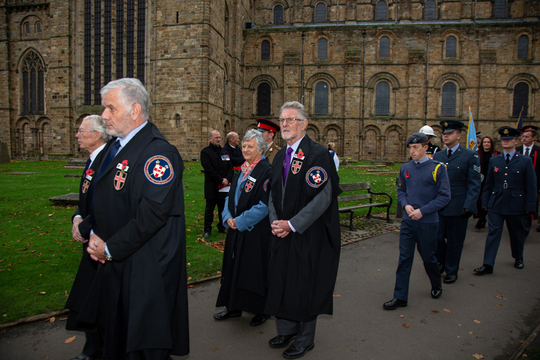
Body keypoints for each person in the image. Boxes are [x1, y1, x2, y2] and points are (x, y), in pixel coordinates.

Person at [84, 78, 189, 359]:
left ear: (134, 111)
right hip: (120, 260)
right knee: (118, 336)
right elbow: (104, 198)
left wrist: (109, 248)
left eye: (110, 108)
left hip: (147, 267)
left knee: (144, 343)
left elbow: (151, 215)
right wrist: (90, 229)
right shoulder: (113, 148)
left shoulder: (158, 153)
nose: (103, 115)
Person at [265, 101, 341, 359]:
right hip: (282, 232)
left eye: (290, 119)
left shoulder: (318, 155)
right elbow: (273, 195)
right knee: (282, 281)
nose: (284, 124)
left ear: (304, 124)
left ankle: (306, 338)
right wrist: (276, 222)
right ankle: (287, 329)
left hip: (308, 234)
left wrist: (292, 224)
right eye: (282, 119)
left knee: (305, 284)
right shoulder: (278, 157)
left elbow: (323, 196)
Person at [383, 133, 450, 311]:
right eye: (410, 148)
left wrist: (423, 211)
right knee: (405, 258)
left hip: (427, 222)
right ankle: (400, 297)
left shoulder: (437, 168)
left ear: (425, 147)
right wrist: (405, 206)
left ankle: (436, 284)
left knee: (428, 257)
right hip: (408, 221)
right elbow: (402, 190)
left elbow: (444, 196)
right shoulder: (406, 167)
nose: (412, 151)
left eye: (416, 148)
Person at [214, 129, 272, 327]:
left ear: (261, 149)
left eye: (250, 146)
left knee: (253, 270)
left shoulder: (266, 171)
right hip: (235, 230)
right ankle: (233, 306)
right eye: (244, 146)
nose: (245, 149)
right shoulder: (242, 169)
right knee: (233, 268)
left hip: (254, 231)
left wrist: (240, 221)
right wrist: (228, 217)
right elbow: (230, 197)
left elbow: (265, 205)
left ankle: (261, 310)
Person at [66, 115, 110, 360]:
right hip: (91, 241)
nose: (77, 135)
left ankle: (96, 350)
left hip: (101, 243)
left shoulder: (108, 160)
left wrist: (86, 228)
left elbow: (108, 204)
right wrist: (76, 218)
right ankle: (94, 348)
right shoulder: (93, 160)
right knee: (89, 298)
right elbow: (86, 200)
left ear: (97, 134)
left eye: (81, 130)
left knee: (95, 299)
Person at [474, 127, 536, 275]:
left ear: (516, 141)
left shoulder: (525, 161)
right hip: (497, 202)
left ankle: (518, 256)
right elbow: (488, 184)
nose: (505, 142)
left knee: (516, 233)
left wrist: (530, 206)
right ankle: (488, 264)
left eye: (509, 140)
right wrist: (485, 202)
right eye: (503, 140)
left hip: (516, 204)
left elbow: (531, 186)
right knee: (493, 232)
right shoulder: (495, 160)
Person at [433, 120, 481, 284]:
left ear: (458, 136)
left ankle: (452, 270)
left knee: (455, 240)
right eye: (444, 134)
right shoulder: (438, 156)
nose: (445, 136)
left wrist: (469, 205)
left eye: (450, 133)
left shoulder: (469, 155)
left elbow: (474, 183)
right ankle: (442, 261)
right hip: (439, 205)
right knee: (436, 237)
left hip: (458, 206)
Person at [201, 130, 234, 238]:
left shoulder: (224, 151)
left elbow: (230, 167)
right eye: (216, 137)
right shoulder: (205, 152)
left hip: (224, 186)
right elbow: (209, 169)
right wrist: (220, 179)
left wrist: (227, 179)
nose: (218, 139)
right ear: (210, 139)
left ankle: (221, 226)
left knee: (222, 208)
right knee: (210, 208)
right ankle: (207, 229)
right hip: (212, 185)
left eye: (219, 137)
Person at [515, 125, 540, 234]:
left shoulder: (538, 151)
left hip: (534, 184)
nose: (524, 139)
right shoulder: (517, 150)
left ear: (534, 138)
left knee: (529, 206)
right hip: (519, 184)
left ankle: (525, 231)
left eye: (527, 137)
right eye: (523, 136)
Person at [475, 136, 499, 229]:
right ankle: (481, 217)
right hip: (480, 179)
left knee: (487, 199)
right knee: (479, 200)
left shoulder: (496, 154)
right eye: (485, 142)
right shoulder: (478, 154)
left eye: (488, 142)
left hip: (492, 180)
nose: (486, 144)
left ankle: (482, 218)